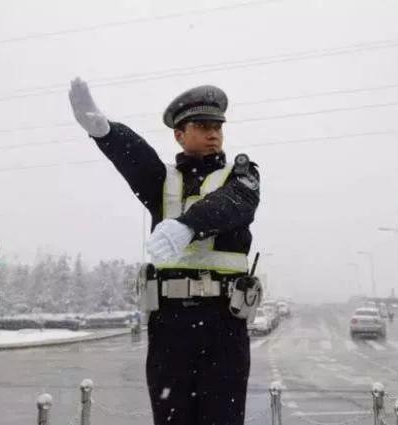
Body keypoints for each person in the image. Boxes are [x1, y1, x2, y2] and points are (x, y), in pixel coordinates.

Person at [69, 79, 260, 425]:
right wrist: (105, 132)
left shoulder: (241, 177)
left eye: (217, 126)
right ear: (179, 135)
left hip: (223, 323)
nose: (214, 133)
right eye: (203, 126)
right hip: (170, 325)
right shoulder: (162, 182)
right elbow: (136, 159)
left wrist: (187, 225)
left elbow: (236, 204)